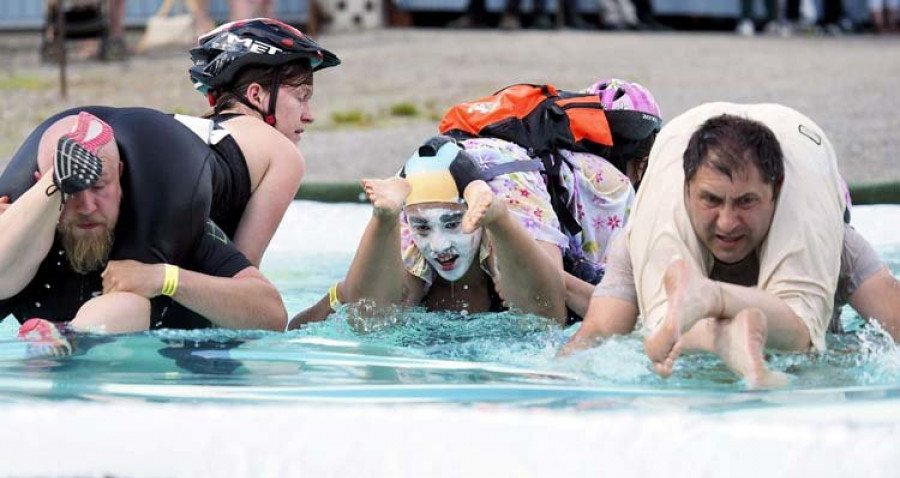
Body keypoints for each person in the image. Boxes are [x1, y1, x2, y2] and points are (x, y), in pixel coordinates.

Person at [287, 78, 662, 328]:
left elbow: (364, 305)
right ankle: (496, 222)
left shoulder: (534, 146)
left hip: (430, 166)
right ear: (642, 164)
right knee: (541, 317)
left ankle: (385, 219)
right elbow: (606, 310)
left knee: (377, 311)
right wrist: (508, 255)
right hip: (506, 180)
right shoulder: (609, 184)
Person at [560, 102, 855, 388]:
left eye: (746, 202)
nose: (727, 223)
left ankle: (712, 306)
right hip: (677, 149)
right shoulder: (650, 224)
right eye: (711, 201)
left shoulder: (822, 230)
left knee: (803, 335)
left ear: (775, 193)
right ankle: (720, 334)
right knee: (663, 332)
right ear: (686, 190)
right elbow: (598, 334)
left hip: (802, 145)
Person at [0, 112, 286, 354]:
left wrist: (166, 278)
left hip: (164, 369)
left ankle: (69, 335)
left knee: (128, 302)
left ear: (121, 177)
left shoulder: (171, 221)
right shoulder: (19, 241)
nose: (87, 206)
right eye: (70, 189)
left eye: (99, 187)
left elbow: (272, 314)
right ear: (39, 183)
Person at [183, 18, 340, 265]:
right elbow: (238, 283)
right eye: (302, 97)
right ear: (256, 95)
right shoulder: (283, 155)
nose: (309, 115)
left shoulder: (188, 132)